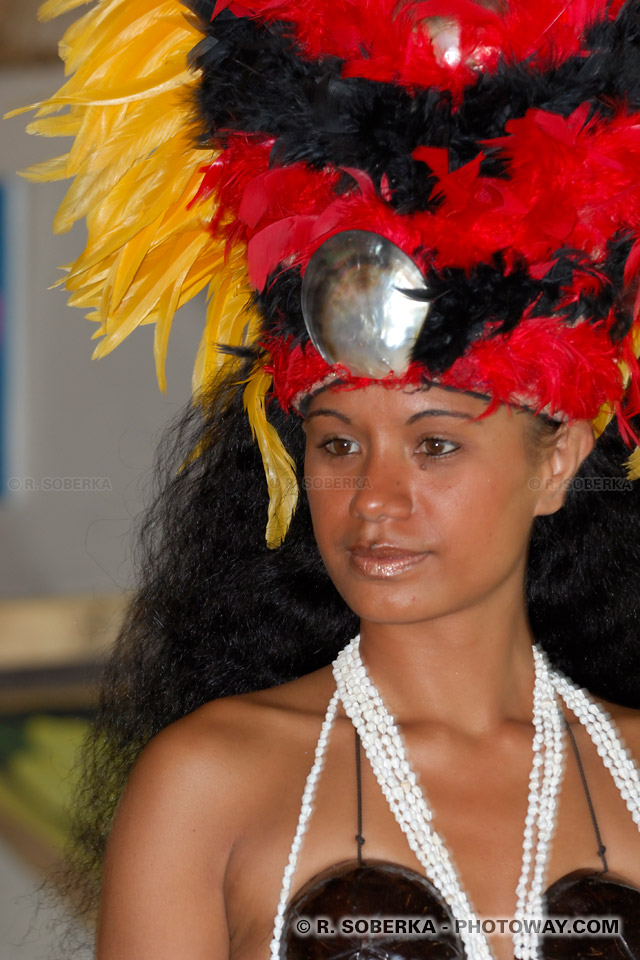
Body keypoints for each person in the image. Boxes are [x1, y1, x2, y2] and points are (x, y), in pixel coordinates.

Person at [13, 0, 640, 958]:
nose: (374, 502)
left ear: (558, 461)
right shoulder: (211, 778)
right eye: (339, 444)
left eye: (436, 445)